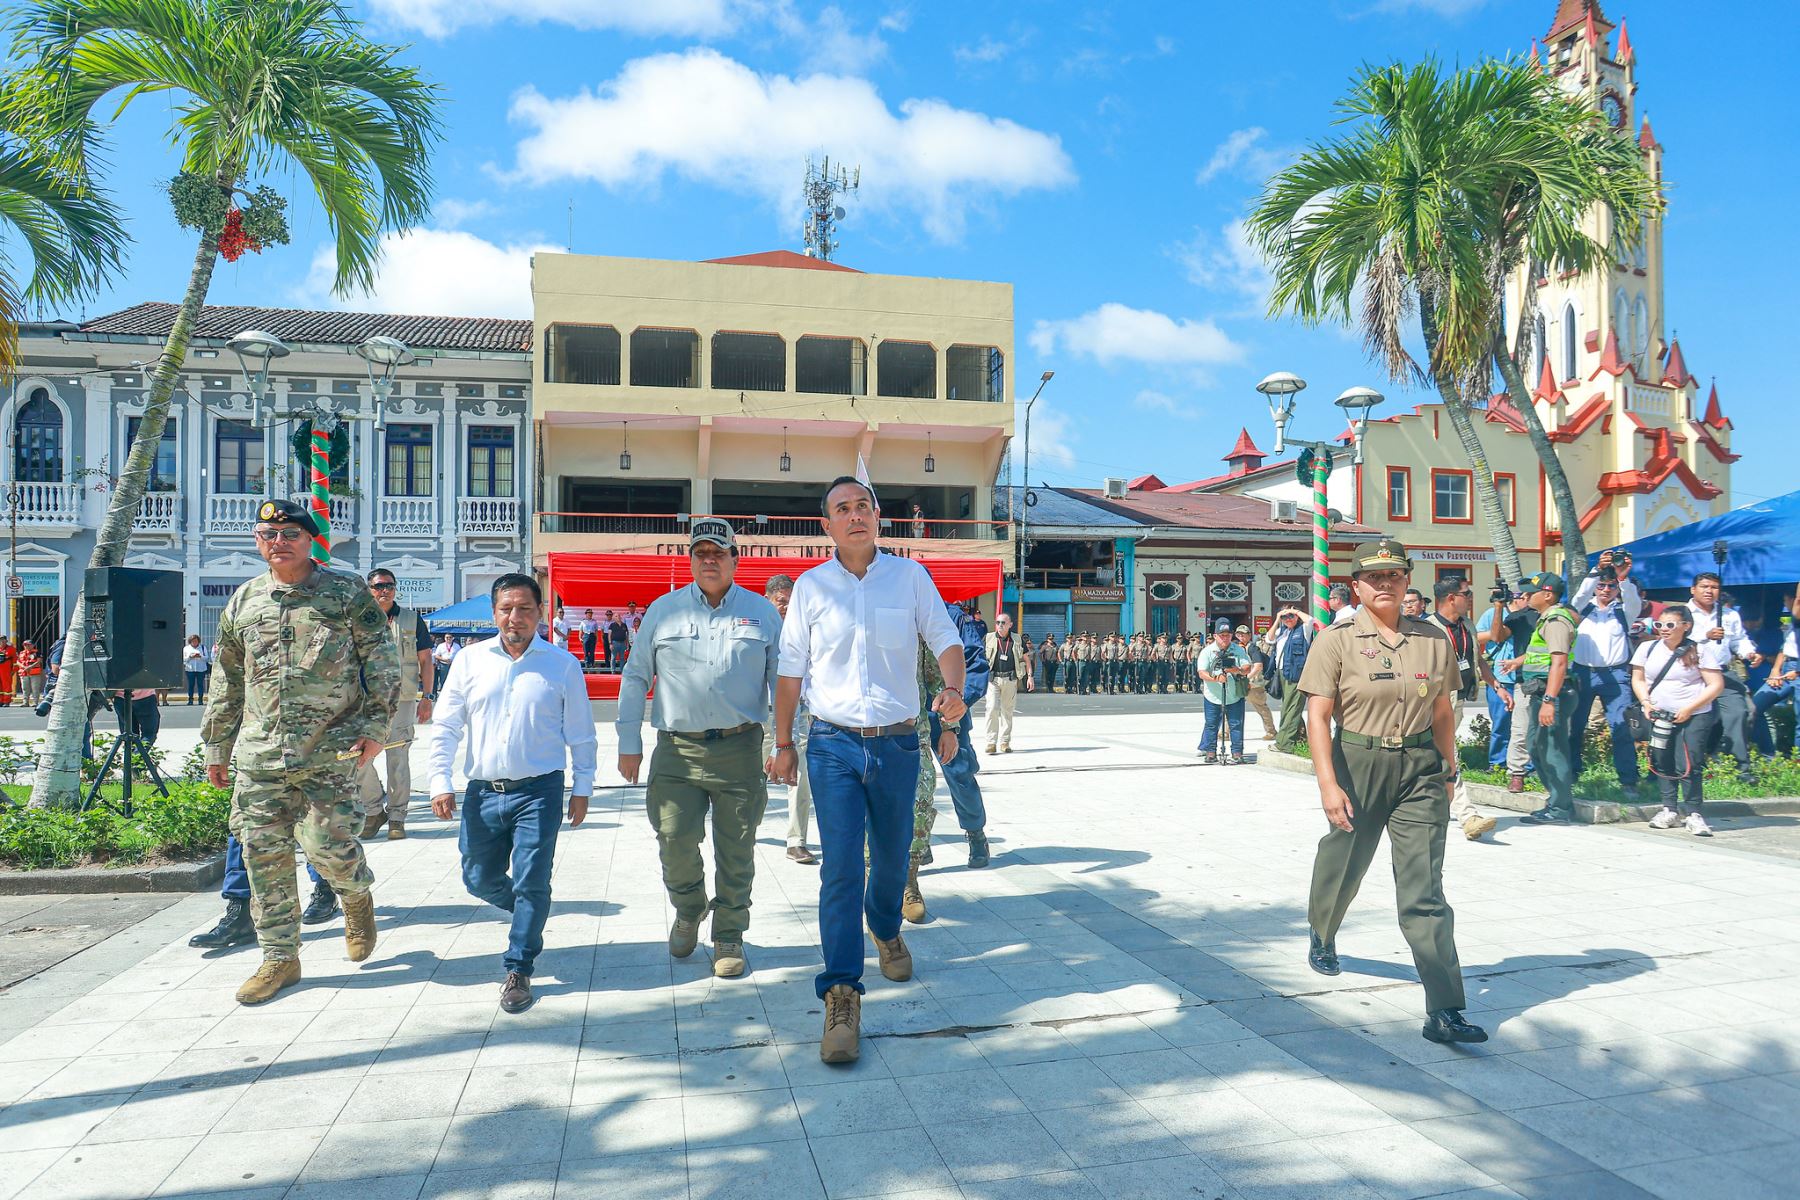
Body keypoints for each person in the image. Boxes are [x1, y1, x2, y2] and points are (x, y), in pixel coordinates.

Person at [768, 475, 966, 1064]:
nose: (854, 516)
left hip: (899, 744)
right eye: (841, 509)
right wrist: (783, 742)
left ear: (877, 517)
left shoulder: (910, 578)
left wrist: (953, 689)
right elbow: (790, 671)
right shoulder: (809, 588)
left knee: (891, 858)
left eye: (863, 506)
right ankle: (841, 992)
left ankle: (884, 925)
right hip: (830, 744)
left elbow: (945, 639)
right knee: (839, 868)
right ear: (825, 525)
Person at [200, 498, 398, 1005]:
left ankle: (354, 893)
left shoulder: (346, 593)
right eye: (269, 534)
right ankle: (280, 958)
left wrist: (375, 727)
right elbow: (226, 678)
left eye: (289, 532)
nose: (278, 541)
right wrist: (217, 745)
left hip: (329, 750)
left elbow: (381, 661)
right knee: (263, 857)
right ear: (257, 540)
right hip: (259, 755)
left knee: (326, 847)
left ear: (309, 539)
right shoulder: (245, 600)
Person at [1299, 538, 1486, 1045]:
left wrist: (1450, 772)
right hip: (1358, 763)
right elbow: (1317, 714)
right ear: (1356, 586)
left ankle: (1444, 1008)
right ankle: (1323, 929)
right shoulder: (1335, 640)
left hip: (1421, 768)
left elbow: (1444, 711)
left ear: (1407, 582)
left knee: (1425, 890)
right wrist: (1327, 783)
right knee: (1346, 860)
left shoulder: (1433, 639)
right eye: (1374, 578)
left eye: (1395, 576)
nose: (1385, 585)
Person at [618, 519, 780, 979]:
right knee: (673, 838)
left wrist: (784, 743)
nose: (709, 559)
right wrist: (629, 741)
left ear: (735, 559)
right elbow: (635, 676)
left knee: (737, 847)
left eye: (719, 552)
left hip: (740, 749)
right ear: (690, 559)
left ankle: (729, 933)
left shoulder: (763, 613)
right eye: (701, 552)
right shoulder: (662, 611)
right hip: (676, 752)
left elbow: (782, 681)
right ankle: (689, 907)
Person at [429, 573, 596, 1014]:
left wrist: (583, 787)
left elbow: (581, 734)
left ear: (540, 613)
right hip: (483, 791)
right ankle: (531, 905)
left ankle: (519, 966)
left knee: (531, 878)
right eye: (506, 609)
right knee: (477, 878)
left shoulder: (562, 665)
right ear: (494, 612)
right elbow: (446, 725)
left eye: (524, 608)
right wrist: (440, 780)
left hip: (539, 791)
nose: (515, 618)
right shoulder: (469, 661)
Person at [354, 568, 434, 843]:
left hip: (402, 700)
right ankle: (374, 810)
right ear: (369, 589)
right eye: (378, 586)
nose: (384, 591)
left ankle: (397, 817)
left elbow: (426, 661)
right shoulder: (358, 619)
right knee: (358, 759)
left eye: (389, 586)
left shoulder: (412, 620)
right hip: (364, 701)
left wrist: (427, 697)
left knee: (397, 760)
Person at [1423, 578, 1505, 840]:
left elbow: (1478, 658)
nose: (1470, 598)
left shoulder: (1466, 625)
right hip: (1438, 702)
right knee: (1450, 755)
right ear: (1450, 598)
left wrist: (1495, 684)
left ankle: (1432, 807)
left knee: (1438, 756)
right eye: (1466, 594)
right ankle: (1468, 816)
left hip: (1458, 700)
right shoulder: (1428, 629)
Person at [1632, 604, 1725, 836]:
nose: (1664, 629)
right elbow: (1638, 678)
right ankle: (1669, 809)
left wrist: (1689, 708)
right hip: (1659, 714)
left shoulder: (1699, 651)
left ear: (1686, 626)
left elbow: (1716, 685)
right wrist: (1645, 702)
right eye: (1659, 624)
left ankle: (1694, 812)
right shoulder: (1647, 648)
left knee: (1689, 762)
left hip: (1694, 715)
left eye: (1670, 625)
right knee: (1662, 760)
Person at [1569, 567, 1643, 800]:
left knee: (1621, 727)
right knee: (1575, 726)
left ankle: (1628, 780)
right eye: (1602, 585)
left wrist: (1623, 578)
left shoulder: (1623, 611)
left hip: (1616, 674)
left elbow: (1632, 600)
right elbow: (1579, 597)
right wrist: (1595, 571)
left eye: (1611, 585)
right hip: (1583, 672)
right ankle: (1571, 775)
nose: (1606, 590)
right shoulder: (1583, 608)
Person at [1518, 573, 1581, 825]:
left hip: (1552, 693)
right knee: (1537, 747)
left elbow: (1559, 662)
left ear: (1547, 595)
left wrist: (1548, 700)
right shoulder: (1546, 618)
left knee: (1552, 750)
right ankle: (1556, 800)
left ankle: (1560, 808)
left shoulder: (1555, 620)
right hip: (1543, 693)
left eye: (1530, 592)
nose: (1525, 596)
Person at [763, 575, 817, 864]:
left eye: (790, 602)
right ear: (768, 600)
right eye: (780, 601)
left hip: (799, 715)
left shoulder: (804, 631)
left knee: (799, 775)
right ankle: (751, 820)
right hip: (762, 717)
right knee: (755, 776)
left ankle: (796, 840)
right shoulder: (758, 630)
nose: (785, 607)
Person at [1687, 572, 1760, 781]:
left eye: (1714, 587)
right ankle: (1691, 765)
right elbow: (1675, 640)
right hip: (1692, 673)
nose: (1709, 591)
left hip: (1722, 672)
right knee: (1694, 719)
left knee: (1740, 712)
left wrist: (1749, 653)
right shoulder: (1683, 613)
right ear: (1693, 589)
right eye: (1704, 586)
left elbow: (1739, 640)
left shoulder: (1729, 615)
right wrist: (1705, 636)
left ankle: (1740, 768)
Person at [1197, 619, 1250, 763]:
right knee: (1211, 724)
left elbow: (1247, 668)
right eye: (1222, 635)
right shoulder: (1207, 651)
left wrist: (1237, 670)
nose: (1225, 638)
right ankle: (1210, 752)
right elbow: (1201, 672)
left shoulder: (1238, 650)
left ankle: (1237, 753)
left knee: (1236, 724)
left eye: (1227, 635)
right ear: (1215, 636)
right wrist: (1216, 678)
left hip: (1234, 695)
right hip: (1213, 696)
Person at [1752, 597, 1799, 757]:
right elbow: (1784, 648)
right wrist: (1776, 669)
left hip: (1796, 670)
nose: (1786, 604)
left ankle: (1797, 763)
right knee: (1754, 707)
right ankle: (1768, 756)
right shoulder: (1794, 623)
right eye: (1785, 600)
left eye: (1789, 600)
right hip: (1786, 667)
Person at [982, 612, 1027, 753]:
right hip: (993, 679)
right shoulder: (988, 638)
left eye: (1003, 623)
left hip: (1010, 679)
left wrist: (1030, 676)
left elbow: (1025, 658)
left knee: (1007, 711)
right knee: (991, 708)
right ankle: (991, 742)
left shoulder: (1017, 639)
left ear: (1010, 625)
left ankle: (1005, 742)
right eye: (997, 622)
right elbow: (979, 657)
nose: (1000, 625)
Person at [1267, 608, 1311, 747]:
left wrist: (1296, 611)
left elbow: (1310, 620)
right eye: (1285, 618)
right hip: (1281, 673)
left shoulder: (1303, 630)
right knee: (1289, 706)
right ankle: (1301, 739)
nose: (1288, 620)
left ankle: (1284, 742)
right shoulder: (1282, 632)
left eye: (1290, 617)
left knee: (1291, 708)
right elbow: (1269, 638)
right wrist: (1277, 618)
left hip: (1296, 674)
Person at [1237, 626, 1277, 742]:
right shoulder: (1237, 647)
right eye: (1239, 634)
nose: (1241, 637)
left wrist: (1247, 678)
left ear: (1249, 635)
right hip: (1241, 681)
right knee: (1232, 706)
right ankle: (1225, 732)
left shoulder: (1253, 648)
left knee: (1261, 707)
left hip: (1253, 683)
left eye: (1243, 634)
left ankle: (1271, 731)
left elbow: (1258, 666)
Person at [16, 639, 44, 709]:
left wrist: (30, 667)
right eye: (25, 645)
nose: (27, 646)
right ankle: (25, 702)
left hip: (34, 673)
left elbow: (39, 661)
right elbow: (18, 661)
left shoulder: (36, 652)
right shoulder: (22, 653)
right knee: (25, 688)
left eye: (28, 645)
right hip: (24, 673)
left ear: (32, 645)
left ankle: (35, 702)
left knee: (35, 688)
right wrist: (24, 667)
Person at [182, 635, 208, 705]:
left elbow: (206, 658)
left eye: (196, 641)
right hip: (190, 669)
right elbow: (184, 659)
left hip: (201, 669)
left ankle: (200, 700)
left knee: (200, 685)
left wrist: (200, 656)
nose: (194, 642)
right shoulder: (186, 648)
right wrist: (190, 657)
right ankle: (190, 700)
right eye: (193, 641)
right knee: (191, 685)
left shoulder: (202, 647)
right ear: (190, 642)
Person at [607, 608, 631, 674]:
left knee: (622, 658)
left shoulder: (624, 625)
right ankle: (613, 670)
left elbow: (626, 635)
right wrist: (610, 643)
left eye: (619, 616)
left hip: (622, 643)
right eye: (616, 616)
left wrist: (627, 643)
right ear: (614, 618)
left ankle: (622, 670)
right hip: (614, 643)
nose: (619, 617)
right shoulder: (612, 625)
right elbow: (609, 635)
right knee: (613, 657)